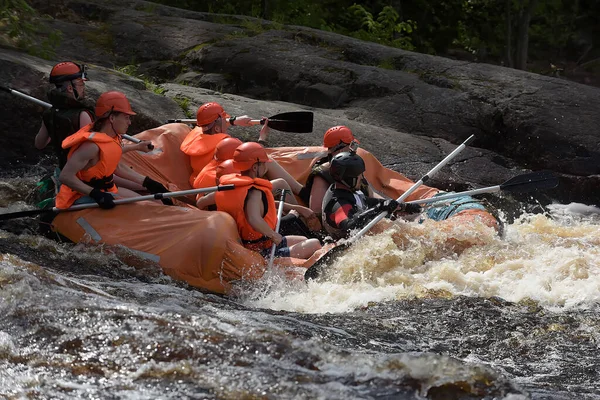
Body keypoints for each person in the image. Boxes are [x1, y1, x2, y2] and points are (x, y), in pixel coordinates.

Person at [55, 91, 171, 209]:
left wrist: (147, 182)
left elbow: (117, 166)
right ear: (111, 118)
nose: (129, 122)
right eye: (126, 118)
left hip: (106, 188)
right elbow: (65, 176)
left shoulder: (112, 138)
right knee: (147, 207)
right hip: (84, 195)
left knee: (156, 202)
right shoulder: (90, 147)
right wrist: (95, 194)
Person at [180, 102, 307, 203]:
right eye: (225, 118)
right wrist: (262, 139)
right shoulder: (226, 144)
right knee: (270, 166)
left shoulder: (195, 137)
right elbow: (254, 155)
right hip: (235, 186)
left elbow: (208, 126)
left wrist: (235, 121)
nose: (227, 120)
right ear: (218, 127)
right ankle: (302, 194)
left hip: (209, 185)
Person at [215, 142, 321, 259]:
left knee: (304, 240)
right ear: (255, 167)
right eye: (264, 164)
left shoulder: (228, 188)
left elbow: (202, 202)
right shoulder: (254, 192)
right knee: (315, 244)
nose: (266, 166)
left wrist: (295, 207)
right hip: (260, 251)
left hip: (254, 244)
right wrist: (273, 235)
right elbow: (253, 219)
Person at [321, 151, 422, 241]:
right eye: (359, 176)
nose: (362, 178)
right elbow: (349, 226)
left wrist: (403, 207)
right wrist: (379, 208)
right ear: (349, 179)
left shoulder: (347, 191)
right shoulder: (339, 204)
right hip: (349, 245)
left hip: (365, 237)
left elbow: (367, 202)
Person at [301, 125, 384, 219]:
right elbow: (317, 211)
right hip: (344, 220)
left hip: (362, 212)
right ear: (341, 149)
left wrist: (388, 204)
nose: (355, 150)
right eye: (352, 146)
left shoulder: (351, 166)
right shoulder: (322, 174)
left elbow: (371, 193)